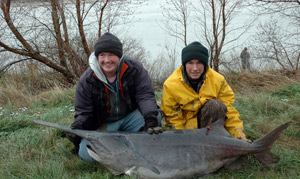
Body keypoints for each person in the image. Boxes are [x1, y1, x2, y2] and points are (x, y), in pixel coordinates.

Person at [67, 32, 164, 162]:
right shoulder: (87, 80)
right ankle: (122, 145)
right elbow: (84, 112)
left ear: (119, 56)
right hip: (105, 125)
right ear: (97, 57)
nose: (107, 60)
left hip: (130, 119)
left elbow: (145, 95)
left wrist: (150, 119)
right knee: (86, 155)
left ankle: (137, 144)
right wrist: (79, 127)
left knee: (155, 115)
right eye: (102, 55)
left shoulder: (134, 68)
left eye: (111, 55)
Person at [161, 41, 251, 143]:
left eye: (199, 63)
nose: (195, 68)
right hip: (186, 130)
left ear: (204, 64)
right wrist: (182, 141)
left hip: (210, 127)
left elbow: (229, 111)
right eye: (190, 63)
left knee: (216, 105)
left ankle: (213, 141)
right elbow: (173, 119)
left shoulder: (218, 80)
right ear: (184, 64)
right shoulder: (170, 84)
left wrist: (239, 136)